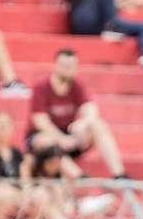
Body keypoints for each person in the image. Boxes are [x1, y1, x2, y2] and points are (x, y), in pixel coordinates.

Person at [27, 48, 126, 178]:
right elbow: (41, 122)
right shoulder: (41, 87)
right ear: (55, 66)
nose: (69, 69)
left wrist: (82, 123)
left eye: (72, 66)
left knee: (98, 125)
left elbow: (91, 110)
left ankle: (119, 175)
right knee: (45, 140)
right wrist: (61, 139)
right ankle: (80, 177)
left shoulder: (77, 85)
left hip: (69, 137)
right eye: (65, 66)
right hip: (46, 141)